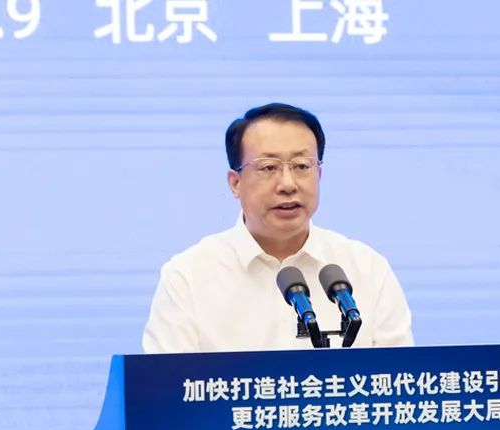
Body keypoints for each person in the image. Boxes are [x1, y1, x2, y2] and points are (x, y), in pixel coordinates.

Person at [142, 103, 413, 353]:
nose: (288, 184)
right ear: (235, 183)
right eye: (268, 167)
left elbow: (402, 380)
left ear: (319, 175)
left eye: (301, 166)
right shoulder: (188, 277)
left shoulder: (367, 270)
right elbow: (165, 385)